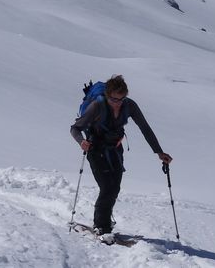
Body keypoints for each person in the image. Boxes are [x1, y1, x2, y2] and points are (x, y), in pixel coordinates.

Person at [70, 74, 172, 241]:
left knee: (114, 188)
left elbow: (145, 128)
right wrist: (81, 141)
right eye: (114, 99)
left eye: (121, 99)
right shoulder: (97, 106)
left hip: (116, 150)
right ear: (107, 95)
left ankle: (104, 222)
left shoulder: (129, 105)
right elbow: (75, 128)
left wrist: (159, 152)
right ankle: (101, 226)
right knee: (107, 187)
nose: (118, 103)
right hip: (95, 150)